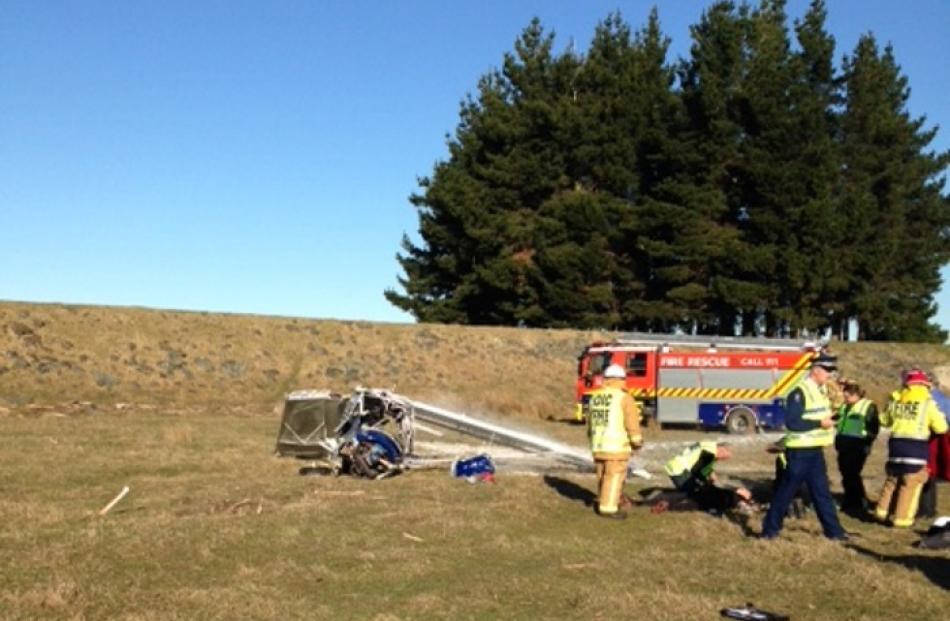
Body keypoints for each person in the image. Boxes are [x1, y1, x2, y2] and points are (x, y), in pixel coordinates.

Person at [761, 352, 847, 540]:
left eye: (832, 370)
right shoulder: (799, 392)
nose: (831, 374)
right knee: (785, 493)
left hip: (815, 451)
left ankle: (835, 533)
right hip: (799, 452)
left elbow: (819, 414)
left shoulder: (820, 390)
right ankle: (769, 531)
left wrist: (833, 417)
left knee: (822, 493)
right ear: (816, 370)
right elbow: (793, 423)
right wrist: (820, 424)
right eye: (828, 370)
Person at [874, 368, 948, 527]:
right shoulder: (927, 403)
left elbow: (885, 421)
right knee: (911, 483)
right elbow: (941, 428)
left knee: (892, 480)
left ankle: (881, 512)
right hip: (915, 449)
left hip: (895, 447)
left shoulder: (897, 400)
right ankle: (902, 520)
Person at [583, 363, 643, 520]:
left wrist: (592, 441)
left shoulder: (595, 397)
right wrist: (636, 442)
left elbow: (590, 423)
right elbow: (631, 423)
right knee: (614, 476)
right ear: (621, 379)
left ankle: (602, 500)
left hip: (598, 445)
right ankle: (609, 508)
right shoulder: (624, 398)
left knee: (602, 476)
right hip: (616, 446)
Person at [664, 441, 752, 514]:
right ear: (722, 449)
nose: (724, 459)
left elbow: (702, 465)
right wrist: (735, 490)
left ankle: (670, 502)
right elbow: (698, 471)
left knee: (701, 490)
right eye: (726, 456)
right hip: (680, 470)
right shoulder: (709, 454)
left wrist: (710, 475)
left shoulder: (709, 446)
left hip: (676, 466)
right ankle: (667, 504)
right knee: (696, 496)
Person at [834, 379, 879, 516]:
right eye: (845, 396)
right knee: (846, 474)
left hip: (858, 445)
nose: (846, 399)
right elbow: (838, 420)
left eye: (848, 396)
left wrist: (866, 443)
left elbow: (873, 428)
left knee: (852, 474)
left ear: (856, 394)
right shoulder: (845, 406)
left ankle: (857, 502)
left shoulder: (868, 406)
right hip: (844, 445)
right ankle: (852, 499)